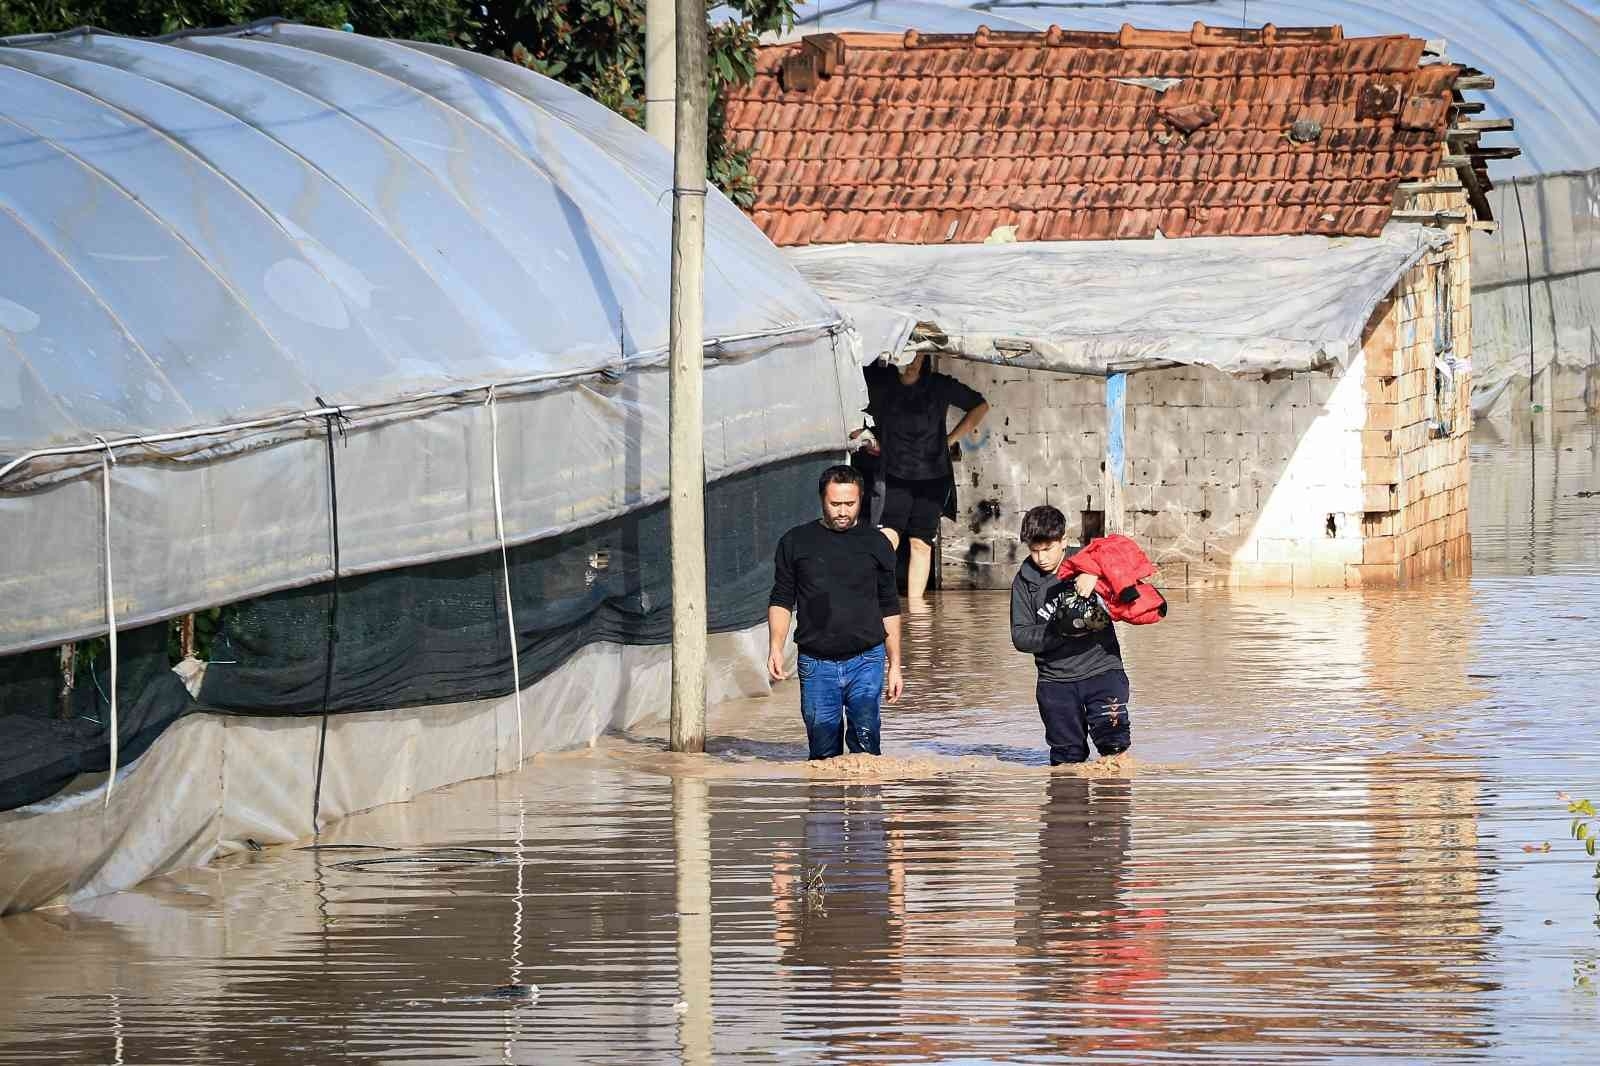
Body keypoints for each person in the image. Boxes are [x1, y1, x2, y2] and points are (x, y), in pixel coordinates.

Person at [768, 466, 904, 759]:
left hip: (867, 659)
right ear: (822, 499)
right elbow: (781, 599)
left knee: (866, 750)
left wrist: (895, 665)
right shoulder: (795, 542)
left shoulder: (876, 543)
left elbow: (889, 606)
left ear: (861, 500)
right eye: (835, 504)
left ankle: (866, 790)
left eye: (850, 504)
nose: (843, 511)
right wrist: (775, 648)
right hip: (816, 662)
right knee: (823, 753)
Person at [1009, 505, 1132, 765]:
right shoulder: (1023, 583)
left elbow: (1129, 569)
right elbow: (1020, 637)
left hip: (1103, 672)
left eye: (1047, 549)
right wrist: (1062, 630)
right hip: (1055, 682)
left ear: (1064, 540)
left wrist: (1095, 574)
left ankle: (1117, 789)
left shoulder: (1091, 561)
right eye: (1034, 550)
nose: (1041, 558)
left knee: (1114, 748)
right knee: (1066, 760)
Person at [864, 353, 989, 608]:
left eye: (917, 356)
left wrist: (950, 440)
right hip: (894, 474)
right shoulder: (880, 384)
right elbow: (853, 411)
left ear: (924, 358)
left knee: (921, 542)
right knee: (887, 537)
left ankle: (917, 611)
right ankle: (876, 602)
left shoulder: (938, 384)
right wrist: (868, 438)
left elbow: (980, 405)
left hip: (933, 476)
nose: (911, 362)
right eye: (906, 356)